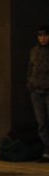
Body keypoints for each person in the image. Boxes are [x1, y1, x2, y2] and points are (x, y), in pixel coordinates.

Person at [27, 25, 49, 162]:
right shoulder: (34, 51)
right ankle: (47, 150)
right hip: (36, 91)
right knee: (42, 122)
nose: (43, 38)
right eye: (40, 35)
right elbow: (30, 69)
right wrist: (30, 84)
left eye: (45, 35)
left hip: (47, 90)